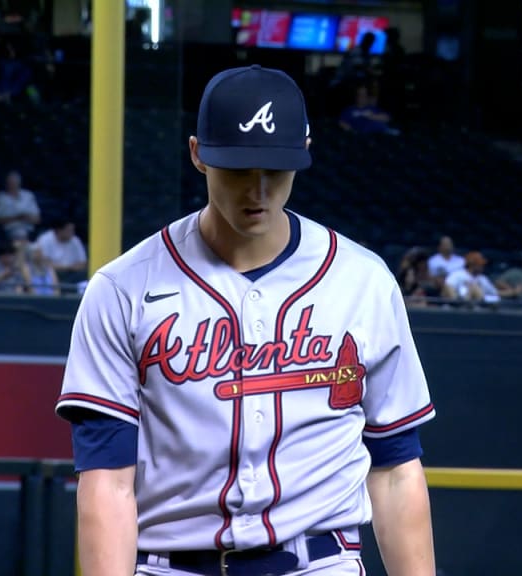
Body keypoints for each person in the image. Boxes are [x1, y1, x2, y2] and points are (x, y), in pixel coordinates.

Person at [55, 64, 436, 576]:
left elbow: (394, 467)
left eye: (274, 169)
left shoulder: (363, 281)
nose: (257, 190)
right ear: (197, 155)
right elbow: (107, 481)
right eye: (237, 168)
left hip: (319, 562)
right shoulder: (123, 288)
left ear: (304, 148)